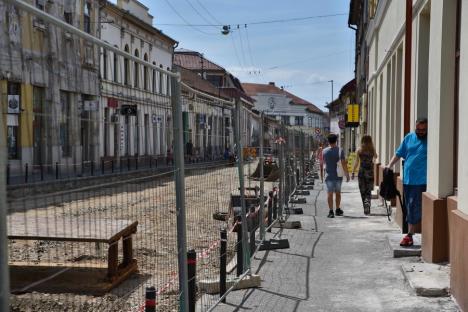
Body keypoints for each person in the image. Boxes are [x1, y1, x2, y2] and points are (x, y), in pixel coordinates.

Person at [385, 118, 428, 247]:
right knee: (410, 206)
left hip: (422, 180)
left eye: (423, 130)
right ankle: (411, 233)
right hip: (408, 179)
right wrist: (389, 165)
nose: (420, 132)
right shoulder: (409, 137)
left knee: (415, 206)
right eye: (418, 129)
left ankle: (410, 235)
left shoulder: (431, 139)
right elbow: (399, 153)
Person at [322, 134, 350, 218]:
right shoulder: (340, 151)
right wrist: (347, 174)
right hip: (338, 176)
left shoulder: (324, 151)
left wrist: (322, 174)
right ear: (336, 141)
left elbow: (323, 163)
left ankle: (331, 211)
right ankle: (337, 209)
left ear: (328, 141)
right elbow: (343, 163)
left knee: (329, 193)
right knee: (338, 193)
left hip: (328, 175)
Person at [352, 135, 378, 215]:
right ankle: (368, 204)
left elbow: (356, 162)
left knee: (362, 190)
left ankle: (365, 206)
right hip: (370, 172)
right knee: (368, 190)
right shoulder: (372, 150)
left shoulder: (359, 150)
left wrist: (353, 172)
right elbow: (376, 157)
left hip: (362, 172)